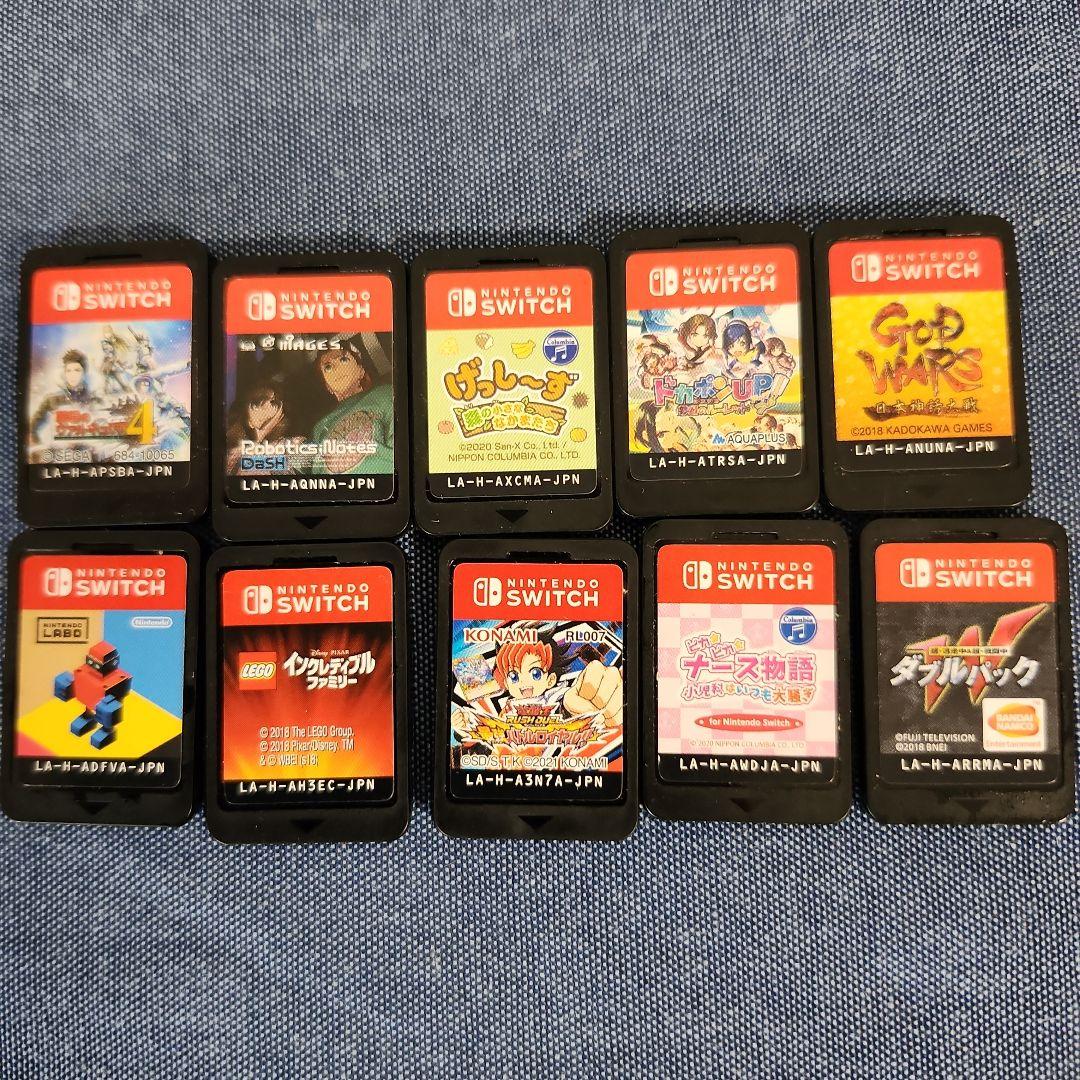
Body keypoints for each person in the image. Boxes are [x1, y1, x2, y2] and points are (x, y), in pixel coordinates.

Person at [309, 338, 394, 475]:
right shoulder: (319, 427)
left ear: (361, 370)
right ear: (328, 386)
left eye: (343, 360)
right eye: (328, 367)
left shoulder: (385, 393)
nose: (336, 368)